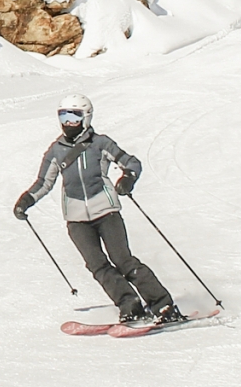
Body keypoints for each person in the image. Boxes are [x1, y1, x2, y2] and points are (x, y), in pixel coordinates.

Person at [13, 94, 186, 327]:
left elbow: (132, 163)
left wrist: (128, 178)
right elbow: (44, 183)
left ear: (86, 117)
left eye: (74, 116)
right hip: (76, 220)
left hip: (106, 212)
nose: (68, 122)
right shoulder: (56, 151)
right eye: (63, 115)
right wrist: (26, 200)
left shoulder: (100, 144)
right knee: (97, 265)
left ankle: (162, 305)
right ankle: (130, 306)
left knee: (123, 260)